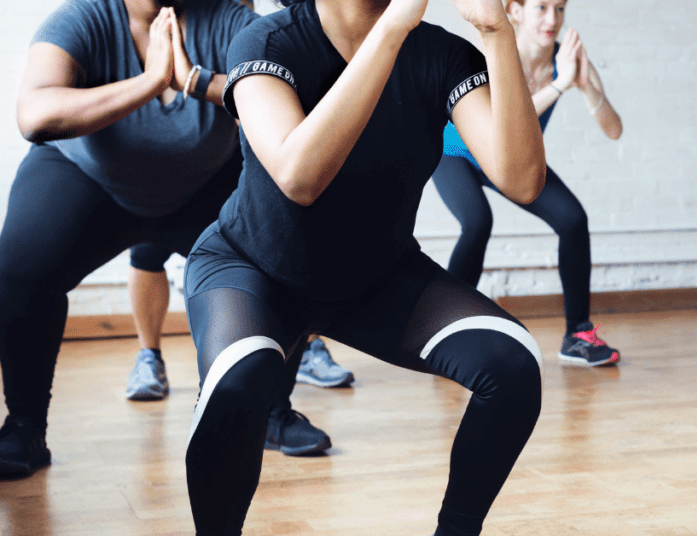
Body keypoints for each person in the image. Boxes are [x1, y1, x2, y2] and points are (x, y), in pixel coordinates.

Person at [182, 0, 546, 532]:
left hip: (375, 277)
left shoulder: (443, 56)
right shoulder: (266, 42)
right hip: (252, 268)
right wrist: (393, 26)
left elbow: (522, 180)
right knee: (240, 378)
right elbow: (299, 176)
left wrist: (497, 32)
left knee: (513, 365)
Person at [0, 0, 329, 480]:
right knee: (19, 268)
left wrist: (193, 79)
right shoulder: (82, 19)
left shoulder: (229, 21)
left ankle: (271, 415)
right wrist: (150, 82)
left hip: (202, 185)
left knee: (286, 261)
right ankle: (25, 427)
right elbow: (33, 115)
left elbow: (295, 97)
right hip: (90, 183)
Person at [431, 0, 623, 367]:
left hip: (510, 159)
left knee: (573, 220)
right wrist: (560, 85)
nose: (553, 19)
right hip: (457, 151)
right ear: (515, 12)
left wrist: (585, 86)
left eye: (560, 8)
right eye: (541, 8)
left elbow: (614, 130)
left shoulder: (566, 60)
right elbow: (498, 122)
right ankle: (443, 330)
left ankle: (578, 335)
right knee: (476, 222)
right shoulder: (498, 51)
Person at [124, 245, 355, 401]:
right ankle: (149, 357)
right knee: (146, 250)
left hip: (214, 188)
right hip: (159, 193)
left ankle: (307, 351)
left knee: (289, 237)